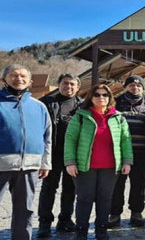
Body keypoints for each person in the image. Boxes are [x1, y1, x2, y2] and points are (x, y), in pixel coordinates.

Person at [64, 84, 133, 240]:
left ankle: (101, 231)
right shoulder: (81, 116)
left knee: (105, 199)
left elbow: (126, 140)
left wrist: (127, 161)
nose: (101, 97)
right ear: (91, 97)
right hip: (85, 167)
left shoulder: (118, 118)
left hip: (110, 167)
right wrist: (70, 162)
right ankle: (81, 232)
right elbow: (70, 139)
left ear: (110, 98)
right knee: (84, 200)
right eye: (97, 94)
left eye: (105, 95)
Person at [0, 64, 52, 240]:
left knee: (25, 210)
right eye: (14, 75)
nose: (18, 79)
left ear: (30, 82)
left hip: (30, 166)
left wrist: (45, 162)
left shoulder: (39, 106)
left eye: (23, 76)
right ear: (3, 80)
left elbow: (47, 136)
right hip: (2, 164)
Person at [37, 74, 82, 238]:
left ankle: (65, 219)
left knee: (71, 188)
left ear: (78, 87)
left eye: (72, 84)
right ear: (58, 84)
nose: (68, 87)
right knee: (49, 188)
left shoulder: (83, 105)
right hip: (52, 153)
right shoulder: (46, 102)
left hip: (74, 155)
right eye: (65, 83)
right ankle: (44, 222)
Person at [108, 75, 145, 228]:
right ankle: (114, 214)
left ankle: (136, 212)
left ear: (143, 88)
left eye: (138, 85)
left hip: (142, 152)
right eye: (132, 85)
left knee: (139, 185)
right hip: (119, 153)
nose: (135, 87)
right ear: (126, 87)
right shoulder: (115, 103)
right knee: (116, 184)